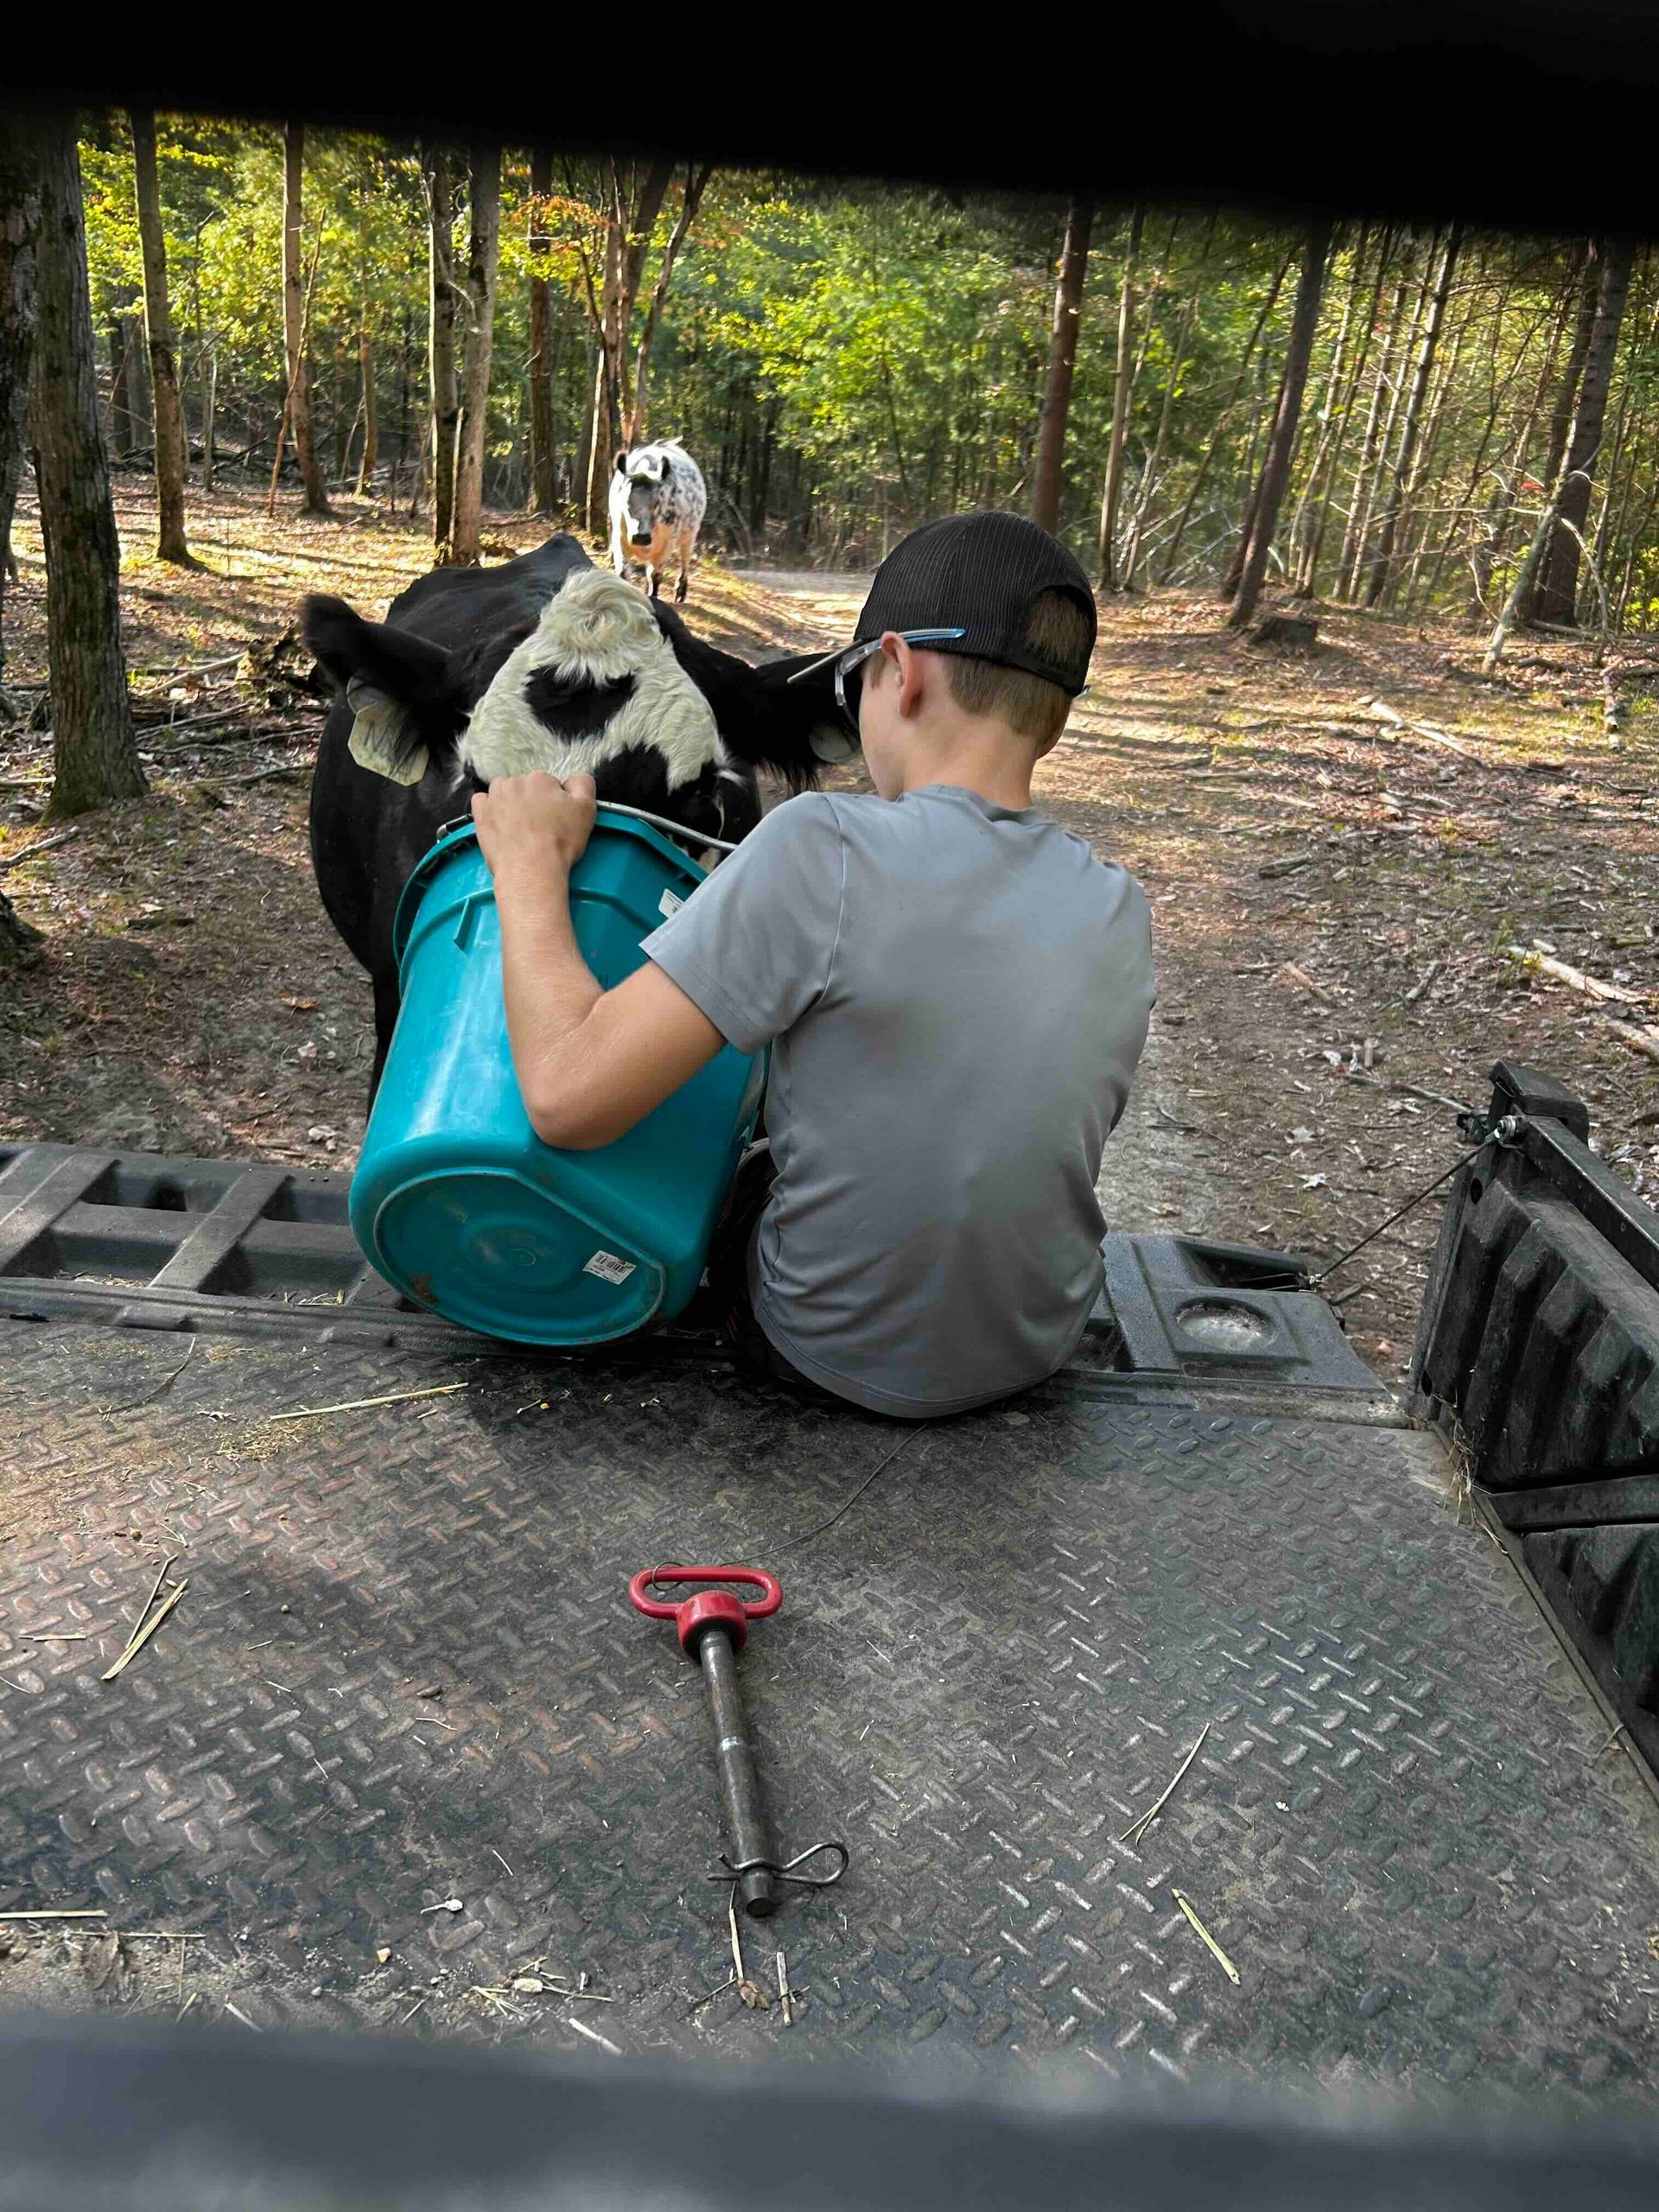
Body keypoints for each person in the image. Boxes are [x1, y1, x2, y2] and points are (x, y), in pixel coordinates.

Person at [471, 510, 1154, 1420]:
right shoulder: (1119, 906)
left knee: (723, 1136)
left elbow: (564, 1098)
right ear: (1051, 719)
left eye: (852, 682)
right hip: (1034, 1342)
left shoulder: (824, 845)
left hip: (819, 1350)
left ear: (899, 672)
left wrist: (527, 868)